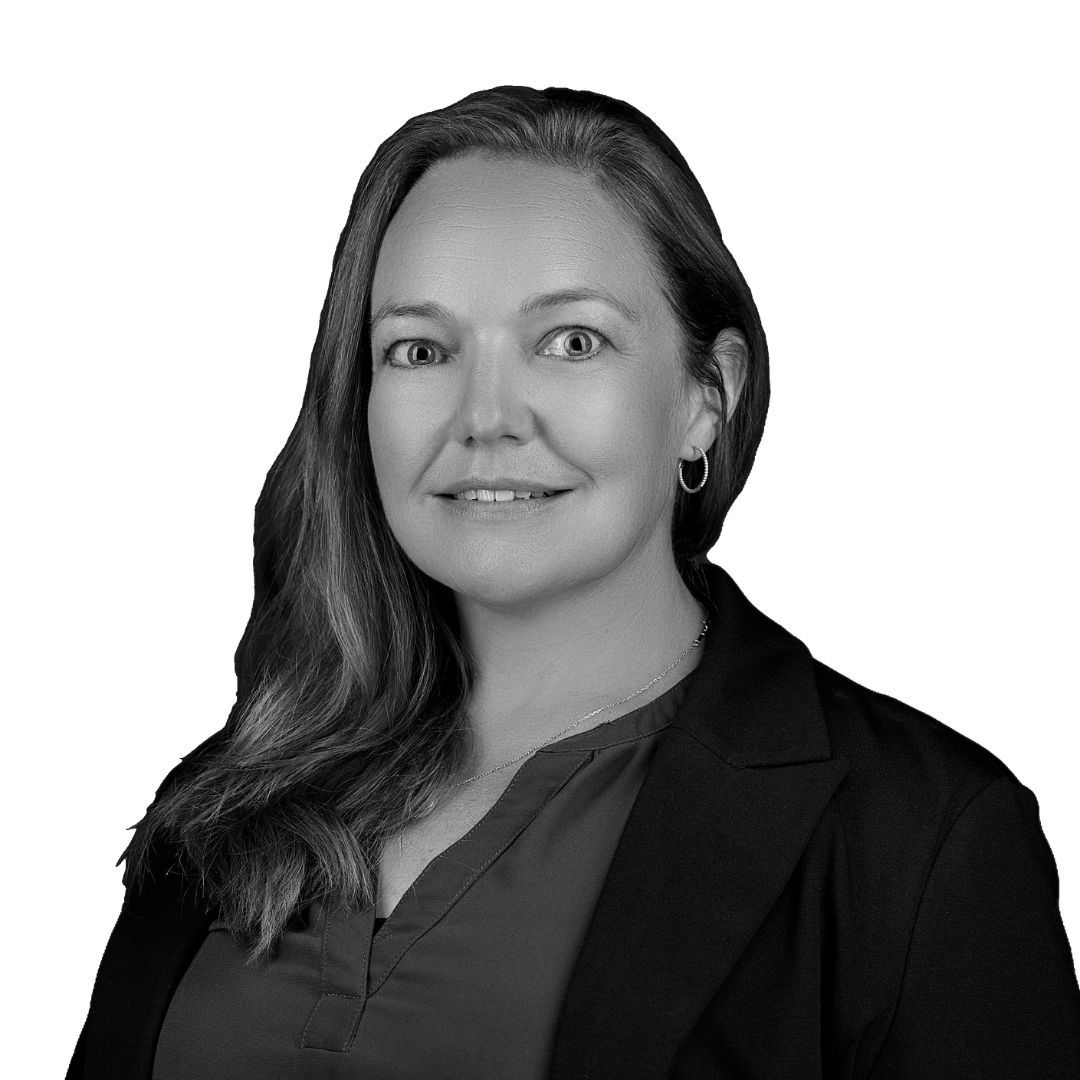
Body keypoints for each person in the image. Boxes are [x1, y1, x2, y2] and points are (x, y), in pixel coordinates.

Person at [66, 85, 1080, 1080]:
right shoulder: (239, 787)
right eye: (420, 349)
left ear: (704, 397)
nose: (487, 414)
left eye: (573, 341)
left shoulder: (922, 846)